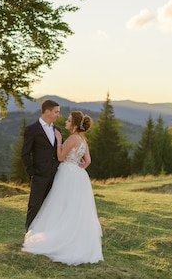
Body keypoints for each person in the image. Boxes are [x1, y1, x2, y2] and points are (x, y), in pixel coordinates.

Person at [22, 110, 103, 265]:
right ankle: (74, 236)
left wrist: (59, 140)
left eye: (68, 120)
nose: (65, 122)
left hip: (67, 173)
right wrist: (79, 165)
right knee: (73, 206)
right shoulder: (83, 140)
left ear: (73, 125)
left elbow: (60, 157)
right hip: (78, 175)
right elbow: (88, 161)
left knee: (60, 204)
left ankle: (59, 236)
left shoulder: (72, 138)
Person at [21, 99, 62, 231]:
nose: (58, 115)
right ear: (47, 111)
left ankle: (46, 233)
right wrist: (32, 172)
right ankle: (28, 232)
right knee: (34, 204)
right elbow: (25, 153)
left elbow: (60, 150)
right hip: (39, 175)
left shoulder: (57, 130)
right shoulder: (32, 129)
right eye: (56, 112)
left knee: (51, 205)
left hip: (55, 174)